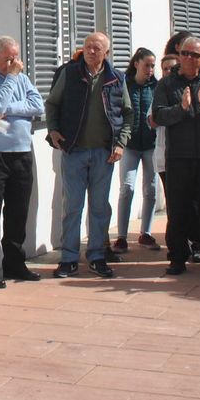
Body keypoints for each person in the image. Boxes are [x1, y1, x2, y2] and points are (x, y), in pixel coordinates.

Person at [46, 32, 133, 279]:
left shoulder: (116, 78)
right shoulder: (70, 73)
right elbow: (52, 103)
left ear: (107, 53)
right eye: (87, 47)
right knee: (72, 206)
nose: (90, 51)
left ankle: (96, 256)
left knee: (99, 207)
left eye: (96, 48)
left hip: (104, 153)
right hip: (74, 151)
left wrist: (121, 144)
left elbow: (128, 113)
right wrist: (53, 129)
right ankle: (69, 259)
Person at [0, 36, 45, 287]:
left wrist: (8, 109)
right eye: (8, 59)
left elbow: (38, 105)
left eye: (16, 59)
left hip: (22, 152)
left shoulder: (22, 79)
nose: (14, 64)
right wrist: (11, 80)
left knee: (18, 213)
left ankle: (14, 264)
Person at [154, 35, 200, 276]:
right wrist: (182, 108)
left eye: (194, 55)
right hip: (178, 158)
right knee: (178, 210)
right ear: (179, 55)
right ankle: (177, 258)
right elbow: (159, 115)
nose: (188, 58)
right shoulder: (167, 84)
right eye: (185, 53)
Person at [114, 48, 162, 253]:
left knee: (151, 189)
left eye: (152, 66)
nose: (150, 69)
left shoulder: (157, 87)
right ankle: (122, 237)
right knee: (127, 188)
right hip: (130, 145)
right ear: (136, 64)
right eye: (147, 65)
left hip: (151, 144)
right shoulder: (124, 84)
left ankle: (146, 233)